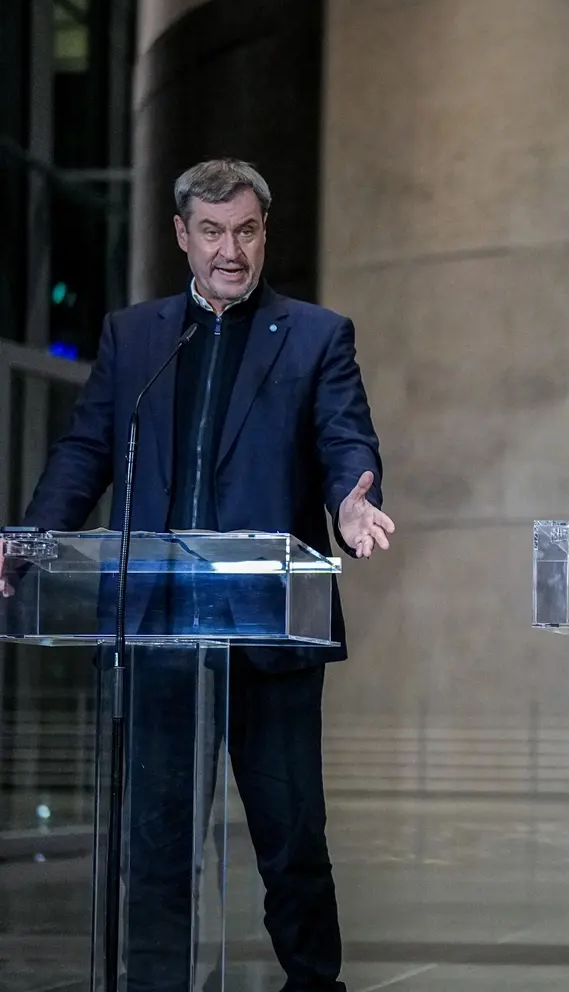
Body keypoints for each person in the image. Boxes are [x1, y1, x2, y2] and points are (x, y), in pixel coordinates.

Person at [13, 158, 390, 991]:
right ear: (181, 236)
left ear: (265, 235)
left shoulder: (316, 334)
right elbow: (85, 452)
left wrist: (355, 504)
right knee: (155, 838)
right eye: (212, 231)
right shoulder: (135, 336)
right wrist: (36, 539)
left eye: (246, 231)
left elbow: (343, 442)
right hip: (155, 627)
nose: (230, 250)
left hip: (269, 628)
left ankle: (312, 981)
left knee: (291, 838)